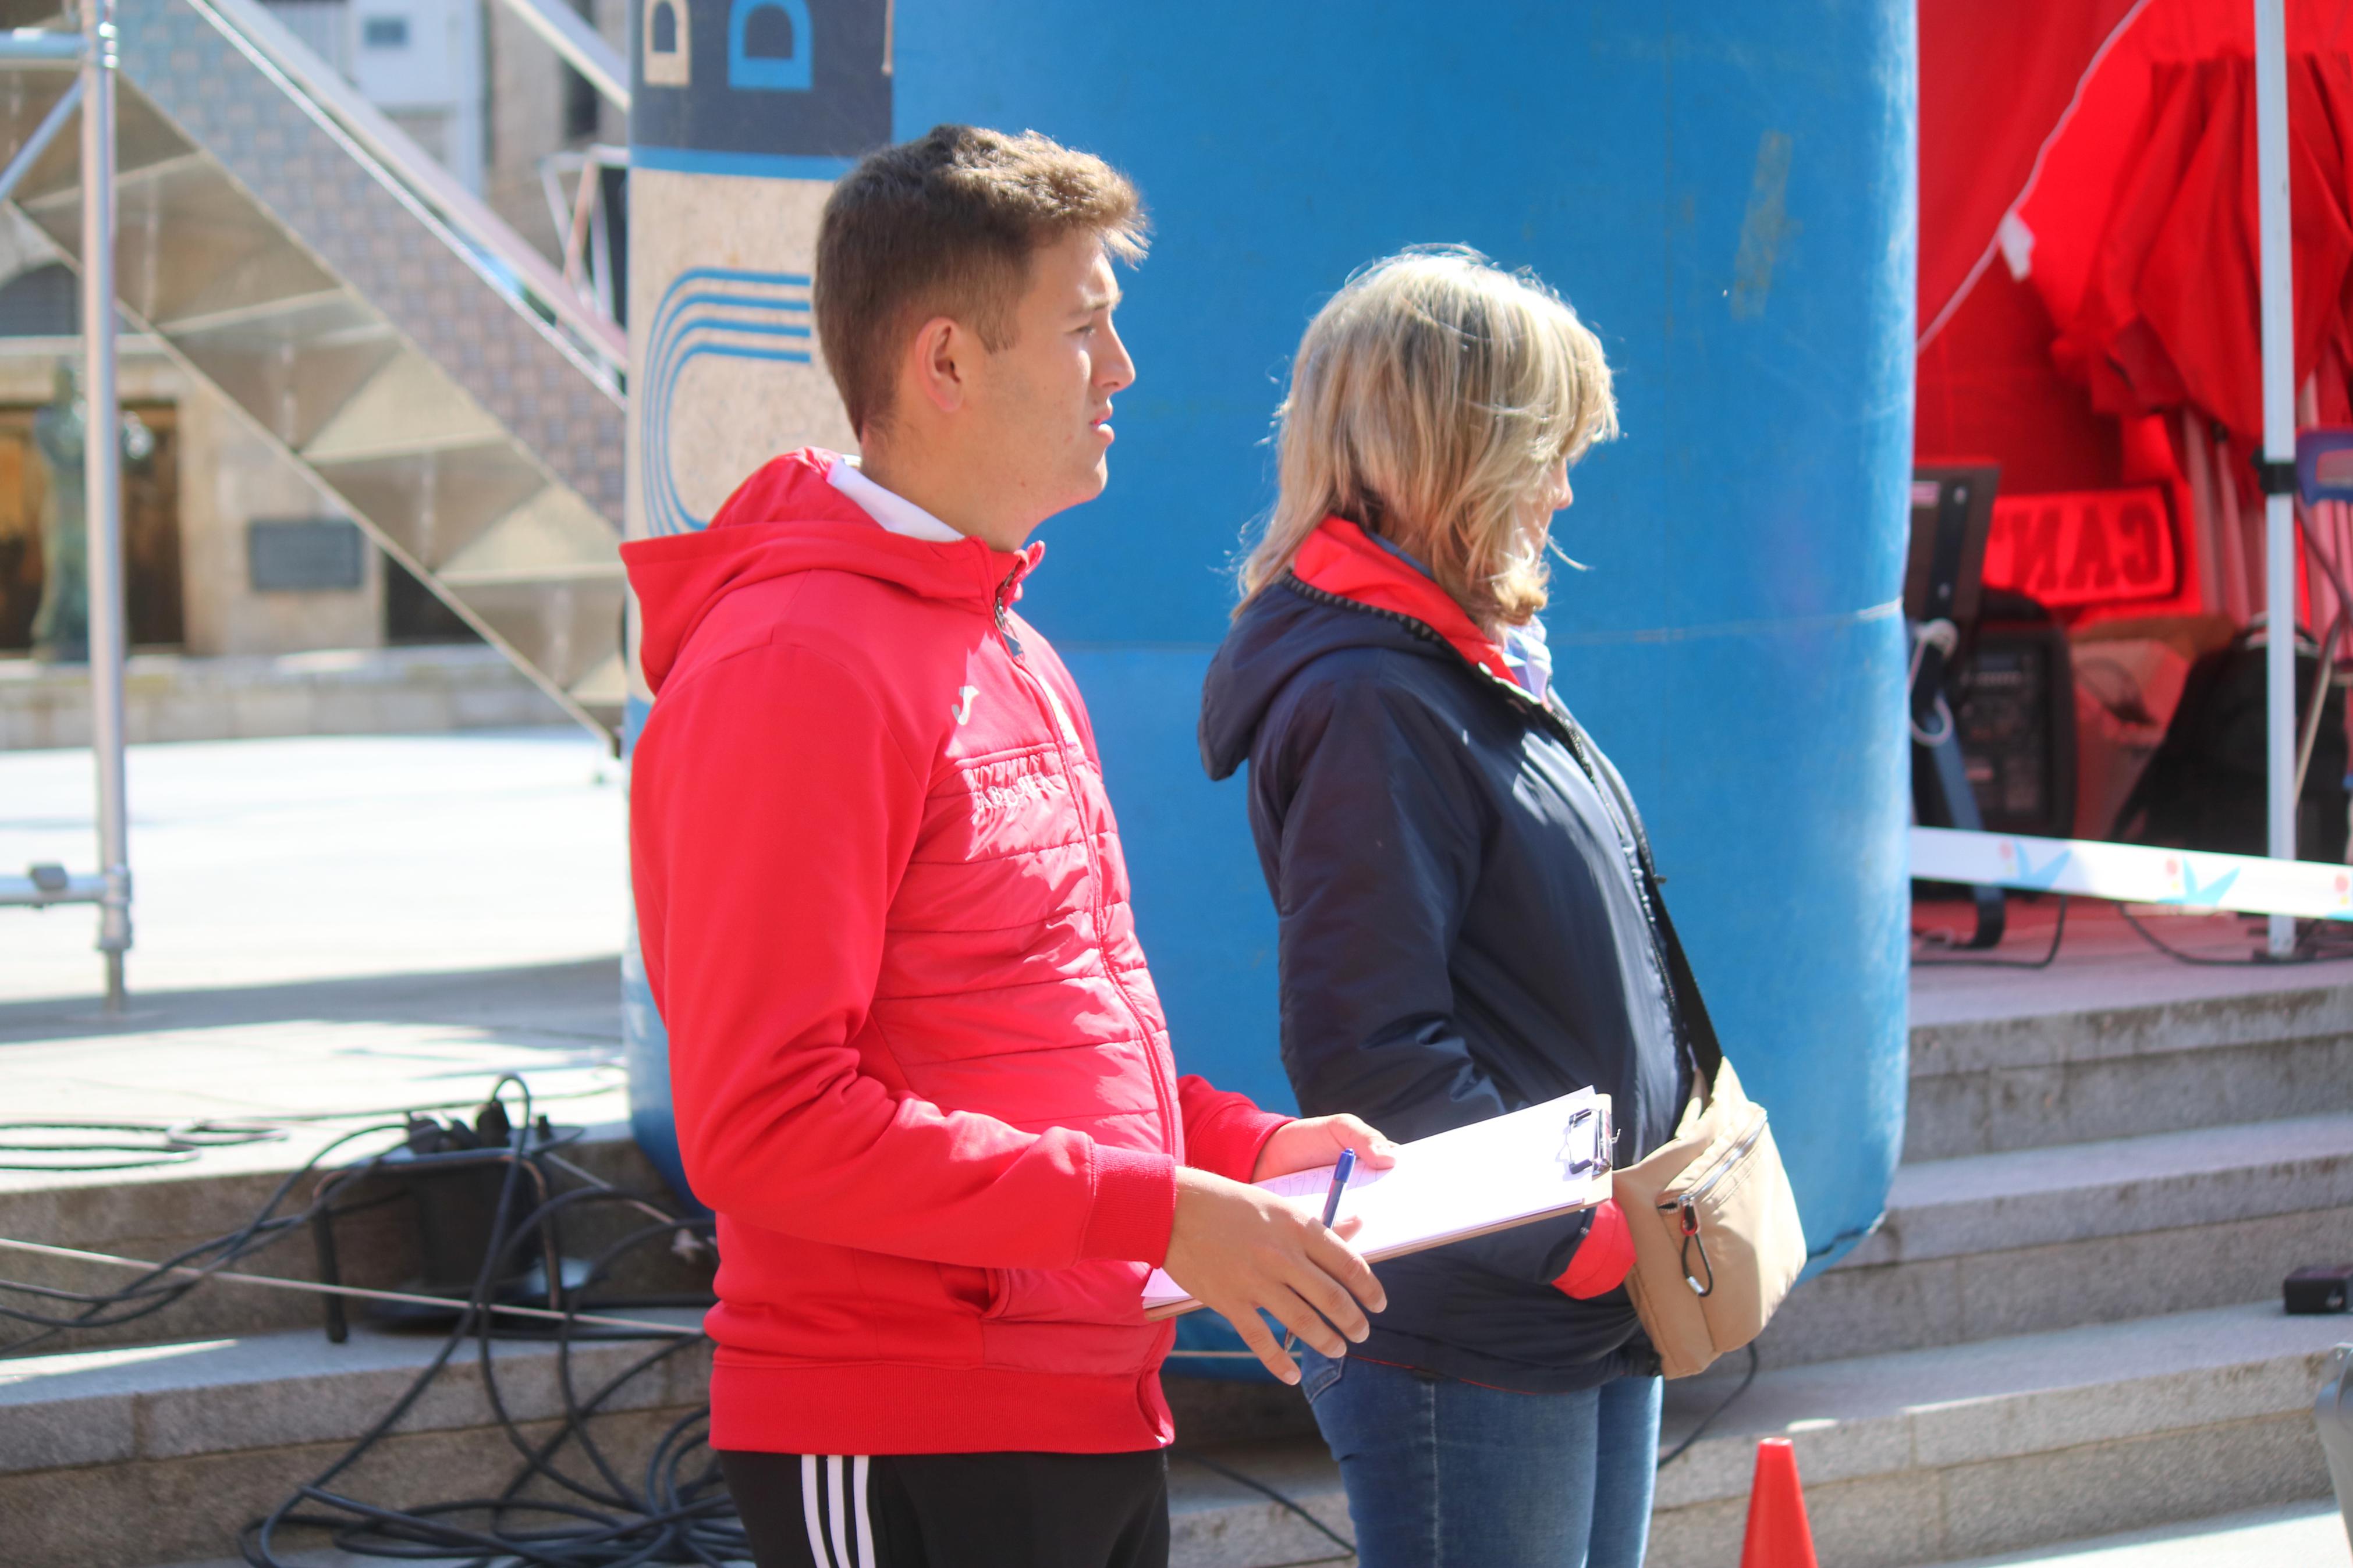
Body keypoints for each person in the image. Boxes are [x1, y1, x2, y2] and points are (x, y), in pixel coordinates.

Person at [622, 126, 1394, 1568]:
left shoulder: (1007, 645)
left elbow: (1029, 1032)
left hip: (1079, 1401)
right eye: (1086, 327)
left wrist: (1248, 1151)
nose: (1124, 370)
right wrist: (1153, 1208)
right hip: (903, 1418)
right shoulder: (795, 662)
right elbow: (765, 1119)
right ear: (947, 363)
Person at [1198, 248, 1687, 1568]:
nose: (1565, 489)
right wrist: (1568, 1238)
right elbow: (1370, 1047)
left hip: (1567, 1301)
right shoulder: (1371, 698)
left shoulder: (1455, 667)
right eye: (1547, 451)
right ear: (1458, 449)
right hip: (1481, 1327)